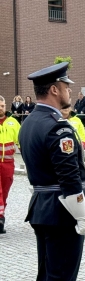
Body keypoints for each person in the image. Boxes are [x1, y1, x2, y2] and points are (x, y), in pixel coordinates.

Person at [19, 62, 85, 281]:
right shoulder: (59, 127)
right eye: (65, 86)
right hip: (62, 213)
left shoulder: (28, 123)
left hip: (42, 208)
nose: (69, 91)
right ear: (53, 89)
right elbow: (69, 178)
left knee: (46, 280)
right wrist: (83, 216)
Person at [0, 95, 21, 234]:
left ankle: (1, 216)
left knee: (5, 192)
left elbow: (22, 142)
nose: (1, 108)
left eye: (2, 105)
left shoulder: (13, 122)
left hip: (8, 163)